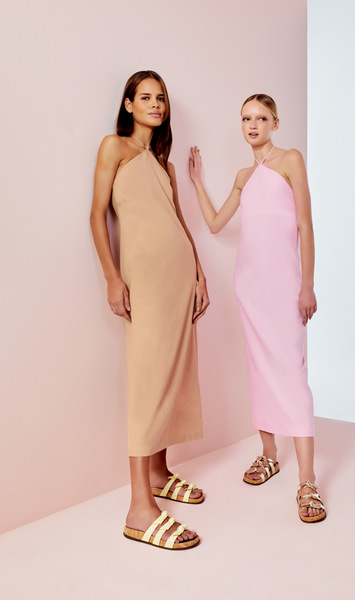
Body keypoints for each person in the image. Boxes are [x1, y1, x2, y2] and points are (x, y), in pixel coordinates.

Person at [189, 94, 326, 523]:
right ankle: (269, 454)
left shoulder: (290, 160)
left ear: (275, 123)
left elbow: (305, 225)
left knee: (292, 373)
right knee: (259, 369)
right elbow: (216, 224)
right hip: (249, 286)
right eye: (246, 119)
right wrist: (197, 183)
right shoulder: (244, 176)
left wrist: (307, 285)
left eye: (261, 118)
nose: (252, 125)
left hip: (284, 287)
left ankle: (308, 481)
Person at [90, 70, 209, 549]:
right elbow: (96, 215)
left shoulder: (164, 164)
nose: (156, 104)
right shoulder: (114, 148)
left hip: (178, 278)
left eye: (160, 98)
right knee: (147, 378)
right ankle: (140, 508)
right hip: (144, 280)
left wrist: (200, 274)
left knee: (172, 373)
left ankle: (159, 472)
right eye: (145, 97)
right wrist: (111, 277)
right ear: (128, 104)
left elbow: (179, 222)